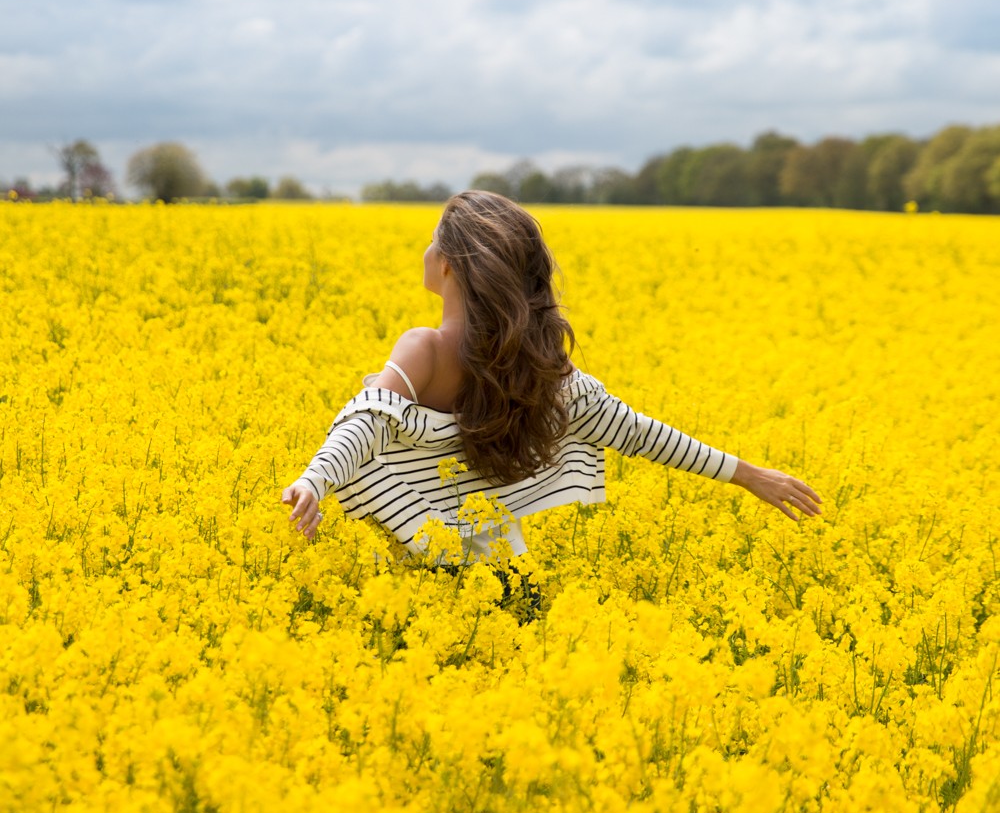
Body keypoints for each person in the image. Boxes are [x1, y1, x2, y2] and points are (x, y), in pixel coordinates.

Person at [282, 191, 821, 559]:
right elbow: (635, 432)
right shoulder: (535, 367)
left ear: (449, 263)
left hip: (435, 587)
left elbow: (364, 425)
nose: (425, 250)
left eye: (432, 241)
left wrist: (314, 480)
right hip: (510, 578)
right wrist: (749, 475)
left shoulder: (423, 348)